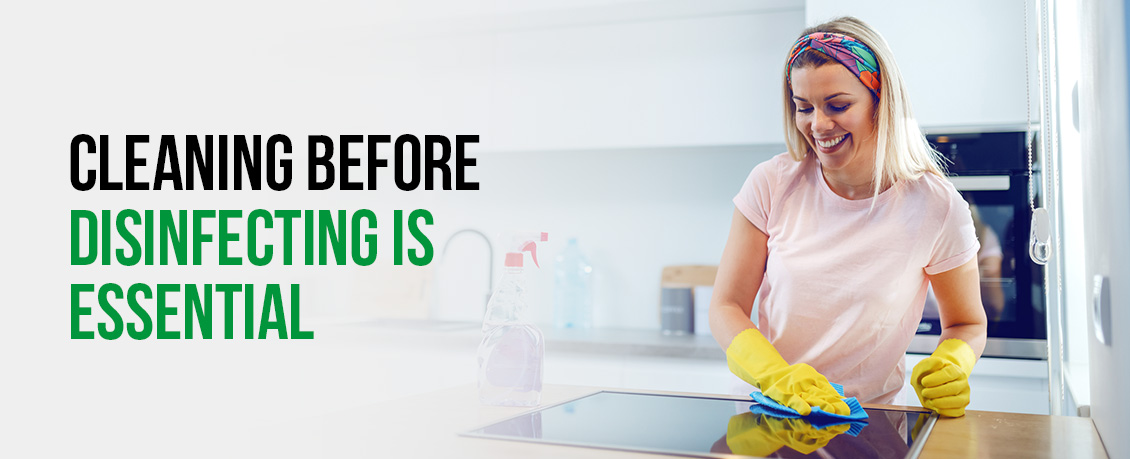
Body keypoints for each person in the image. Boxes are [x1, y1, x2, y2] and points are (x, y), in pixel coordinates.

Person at [708, 16, 988, 418]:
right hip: (766, 417)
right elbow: (727, 306)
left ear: (881, 101)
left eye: (838, 105)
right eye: (804, 107)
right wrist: (773, 375)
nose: (818, 124)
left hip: (868, 427)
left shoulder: (936, 207)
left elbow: (966, 324)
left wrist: (952, 365)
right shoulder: (770, 184)